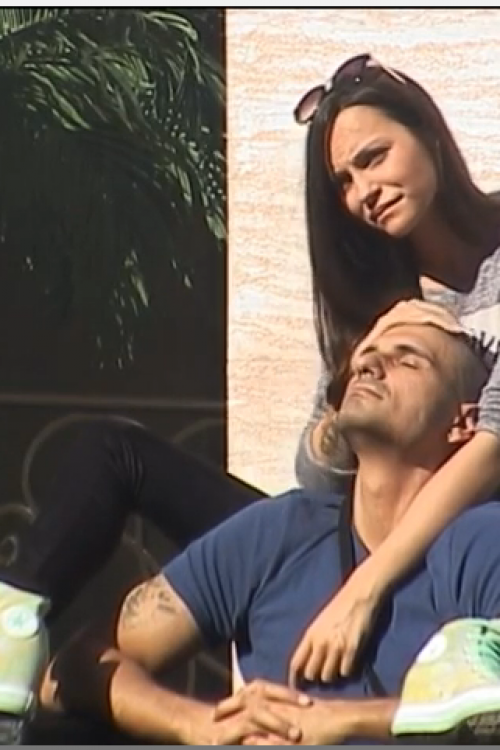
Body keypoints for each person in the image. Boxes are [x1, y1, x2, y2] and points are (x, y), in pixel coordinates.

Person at [36, 311, 500, 745]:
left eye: (408, 360)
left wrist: (344, 720)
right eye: (367, 356)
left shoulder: (481, 543)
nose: (370, 365)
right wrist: (199, 723)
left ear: (463, 422)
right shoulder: (279, 531)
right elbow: (72, 668)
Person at [287, 52, 500, 685]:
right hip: (379, 541)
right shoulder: (378, 299)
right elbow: (316, 476)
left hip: (478, 547)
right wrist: (355, 380)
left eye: (374, 158)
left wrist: (362, 592)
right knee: (115, 456)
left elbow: (494, 443)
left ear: (428, 133)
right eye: (344, 182)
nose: (364, 193)